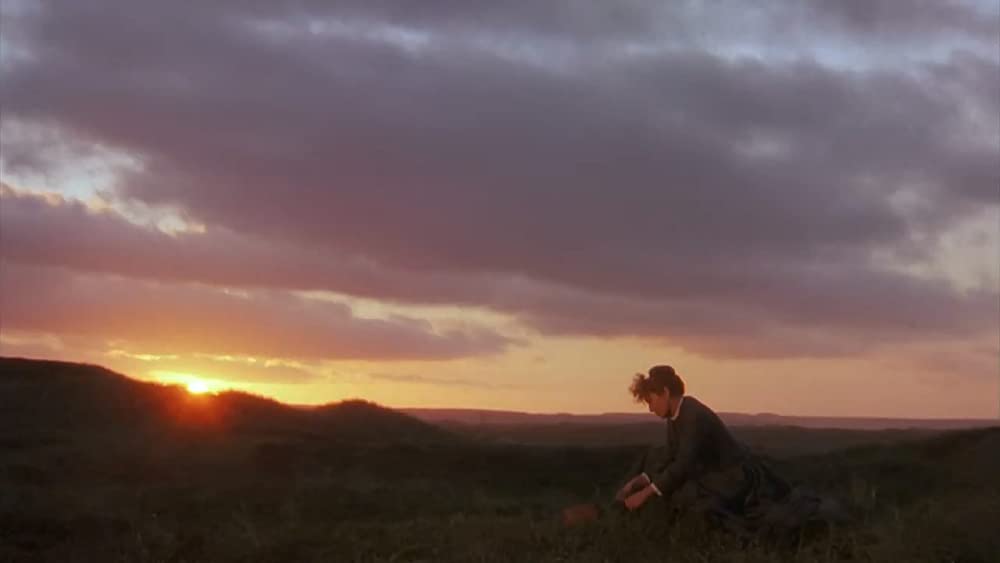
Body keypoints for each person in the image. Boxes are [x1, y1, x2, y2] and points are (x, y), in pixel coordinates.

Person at [565, 365, 843, 537]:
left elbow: (683, 464)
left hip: (735, 477)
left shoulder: (693, 415)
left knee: (687, 498)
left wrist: (645, 493)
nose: (650, 408)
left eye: (651, 400)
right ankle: (613, 513)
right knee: (651, 465)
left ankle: (620, 519)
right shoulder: (676, 414)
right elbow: (672, 455)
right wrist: (641, 481)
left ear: (664, 393)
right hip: (714, 473)